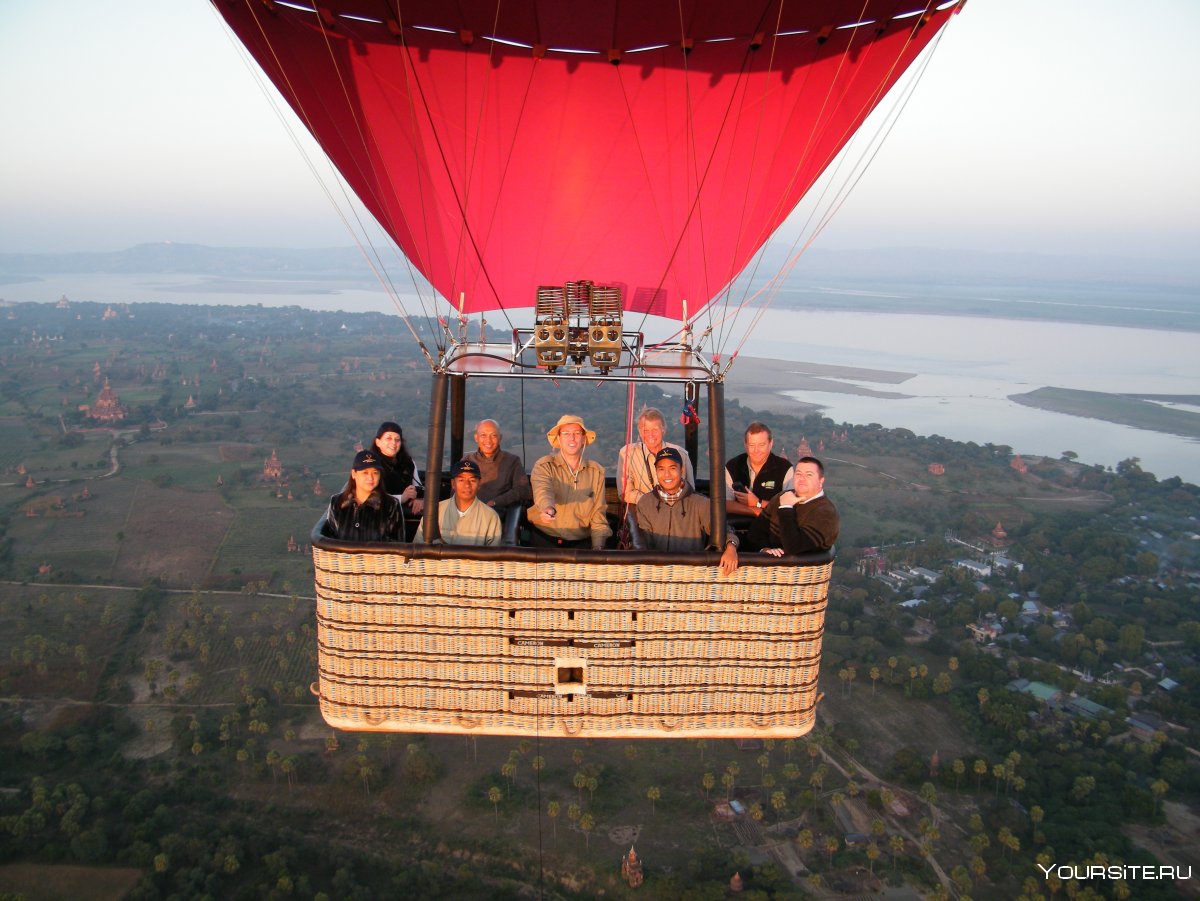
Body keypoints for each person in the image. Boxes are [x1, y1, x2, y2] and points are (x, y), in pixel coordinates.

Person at [636, 448, 738, 575]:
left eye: (672, 468)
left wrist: (731, 547)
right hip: (656, 575)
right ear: (656, 471)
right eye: (661, 469)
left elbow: (724, 530)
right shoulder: (645, 503)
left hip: (691, 575)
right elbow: (643, 542)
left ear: (682, 470)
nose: (667, 474)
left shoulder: (701, 503)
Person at [528, 414, 611, 550]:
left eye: (577, 433)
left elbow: (598, 513)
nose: (572, 438)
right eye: (566, 433)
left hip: (580, 545)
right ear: (559, 439)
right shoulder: (544, 466)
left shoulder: (596, 472)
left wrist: (598, 548)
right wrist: (548, 508)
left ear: (584, 439)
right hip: (544, 540)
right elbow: (543, 490)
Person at [752, 456, 839, 556]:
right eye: (798, 474)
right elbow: (755, 532)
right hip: (767, 568)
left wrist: (786, 508)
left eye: (809, 475)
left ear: (821, 481)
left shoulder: (826, 513)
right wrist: (765, 549)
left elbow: (793, 548)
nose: (802, 479)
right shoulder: (781, 497)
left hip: (802, 570)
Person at [321, 449, 405, 542]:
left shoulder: (391, 505)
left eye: (375, 472)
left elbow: (398, 544)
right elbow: (330, 539)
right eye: (365, 472)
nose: (370, 477)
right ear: (354, 474)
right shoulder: (337, 502)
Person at [616, 407, 694, 505]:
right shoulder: (627, 453)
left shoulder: (681, 454)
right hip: (644, 511)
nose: (651, 435)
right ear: (640, 432)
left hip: (676, 510)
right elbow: (625, 493)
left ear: (663, 430)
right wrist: (653, 503)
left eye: (655, 430)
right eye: (646, 431)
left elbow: (690, 491)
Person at [416, 458, 501, 546]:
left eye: (472, 480)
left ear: (479, 484)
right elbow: (418, 548)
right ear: (453, 484)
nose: (467, 485)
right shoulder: (435, 511)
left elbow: (493, 557)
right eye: (461, 480)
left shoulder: (490, 516)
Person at [725, 421, 792, 519]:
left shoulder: (784, 468)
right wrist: (757, 511)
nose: (756, 451)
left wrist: (758, 502)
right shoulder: (733, 466)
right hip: (736, 528)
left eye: (761, 445)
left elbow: (789, 508)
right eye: (752, 445)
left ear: (770, 443)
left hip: (771, 529)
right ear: (745, 445)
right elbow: (725, 504)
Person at [465, 419, 531, 512]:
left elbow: (523, 490)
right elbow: (456, 492)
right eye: (483, 435)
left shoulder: (512, 461)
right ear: (476, 438)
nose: (488, 440)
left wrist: (495, 502)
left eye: (493, 435)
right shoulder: (467, 462)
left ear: (500, 438)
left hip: (499, 513)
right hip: (470, 513)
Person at [371, 421, 424, 516]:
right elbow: (370, 496)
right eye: (389, 438)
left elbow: (417, 485)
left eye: (397, 440)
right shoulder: (371, 464)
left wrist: (419, 498)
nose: (393, 443)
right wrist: (401, 498)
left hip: (404, 514)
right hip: (378, 514)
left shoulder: (408, 462)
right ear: (378, 442)